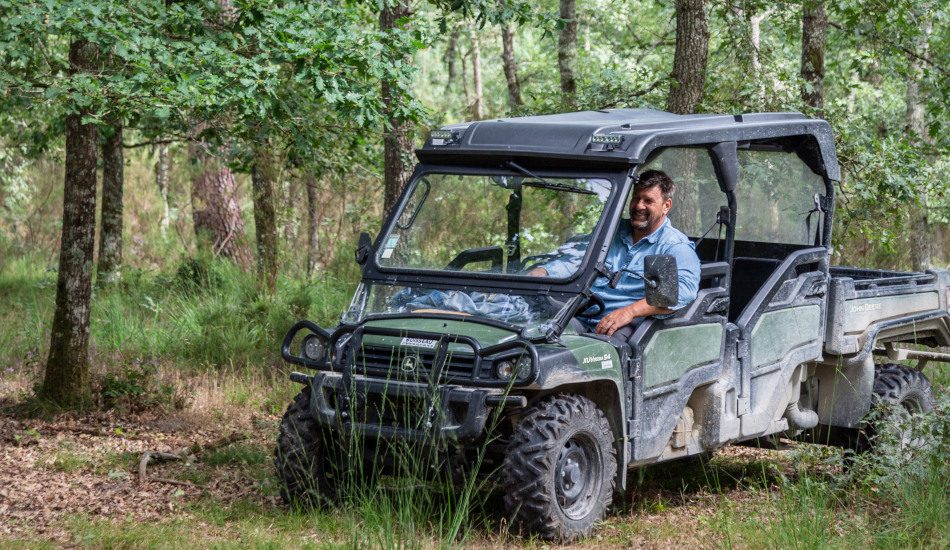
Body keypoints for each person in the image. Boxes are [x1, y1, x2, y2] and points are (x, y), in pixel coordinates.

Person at [529, 169, 701, 338]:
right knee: (530, 329)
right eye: (636, 199)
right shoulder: (611, 231)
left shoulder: (673, 247)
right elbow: (576, 259)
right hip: (579, 314)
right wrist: (544, 272)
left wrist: (630, 312)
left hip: (626, 327)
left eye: (648, 201)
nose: (639, 206)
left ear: (666, 206)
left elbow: (683, 292)